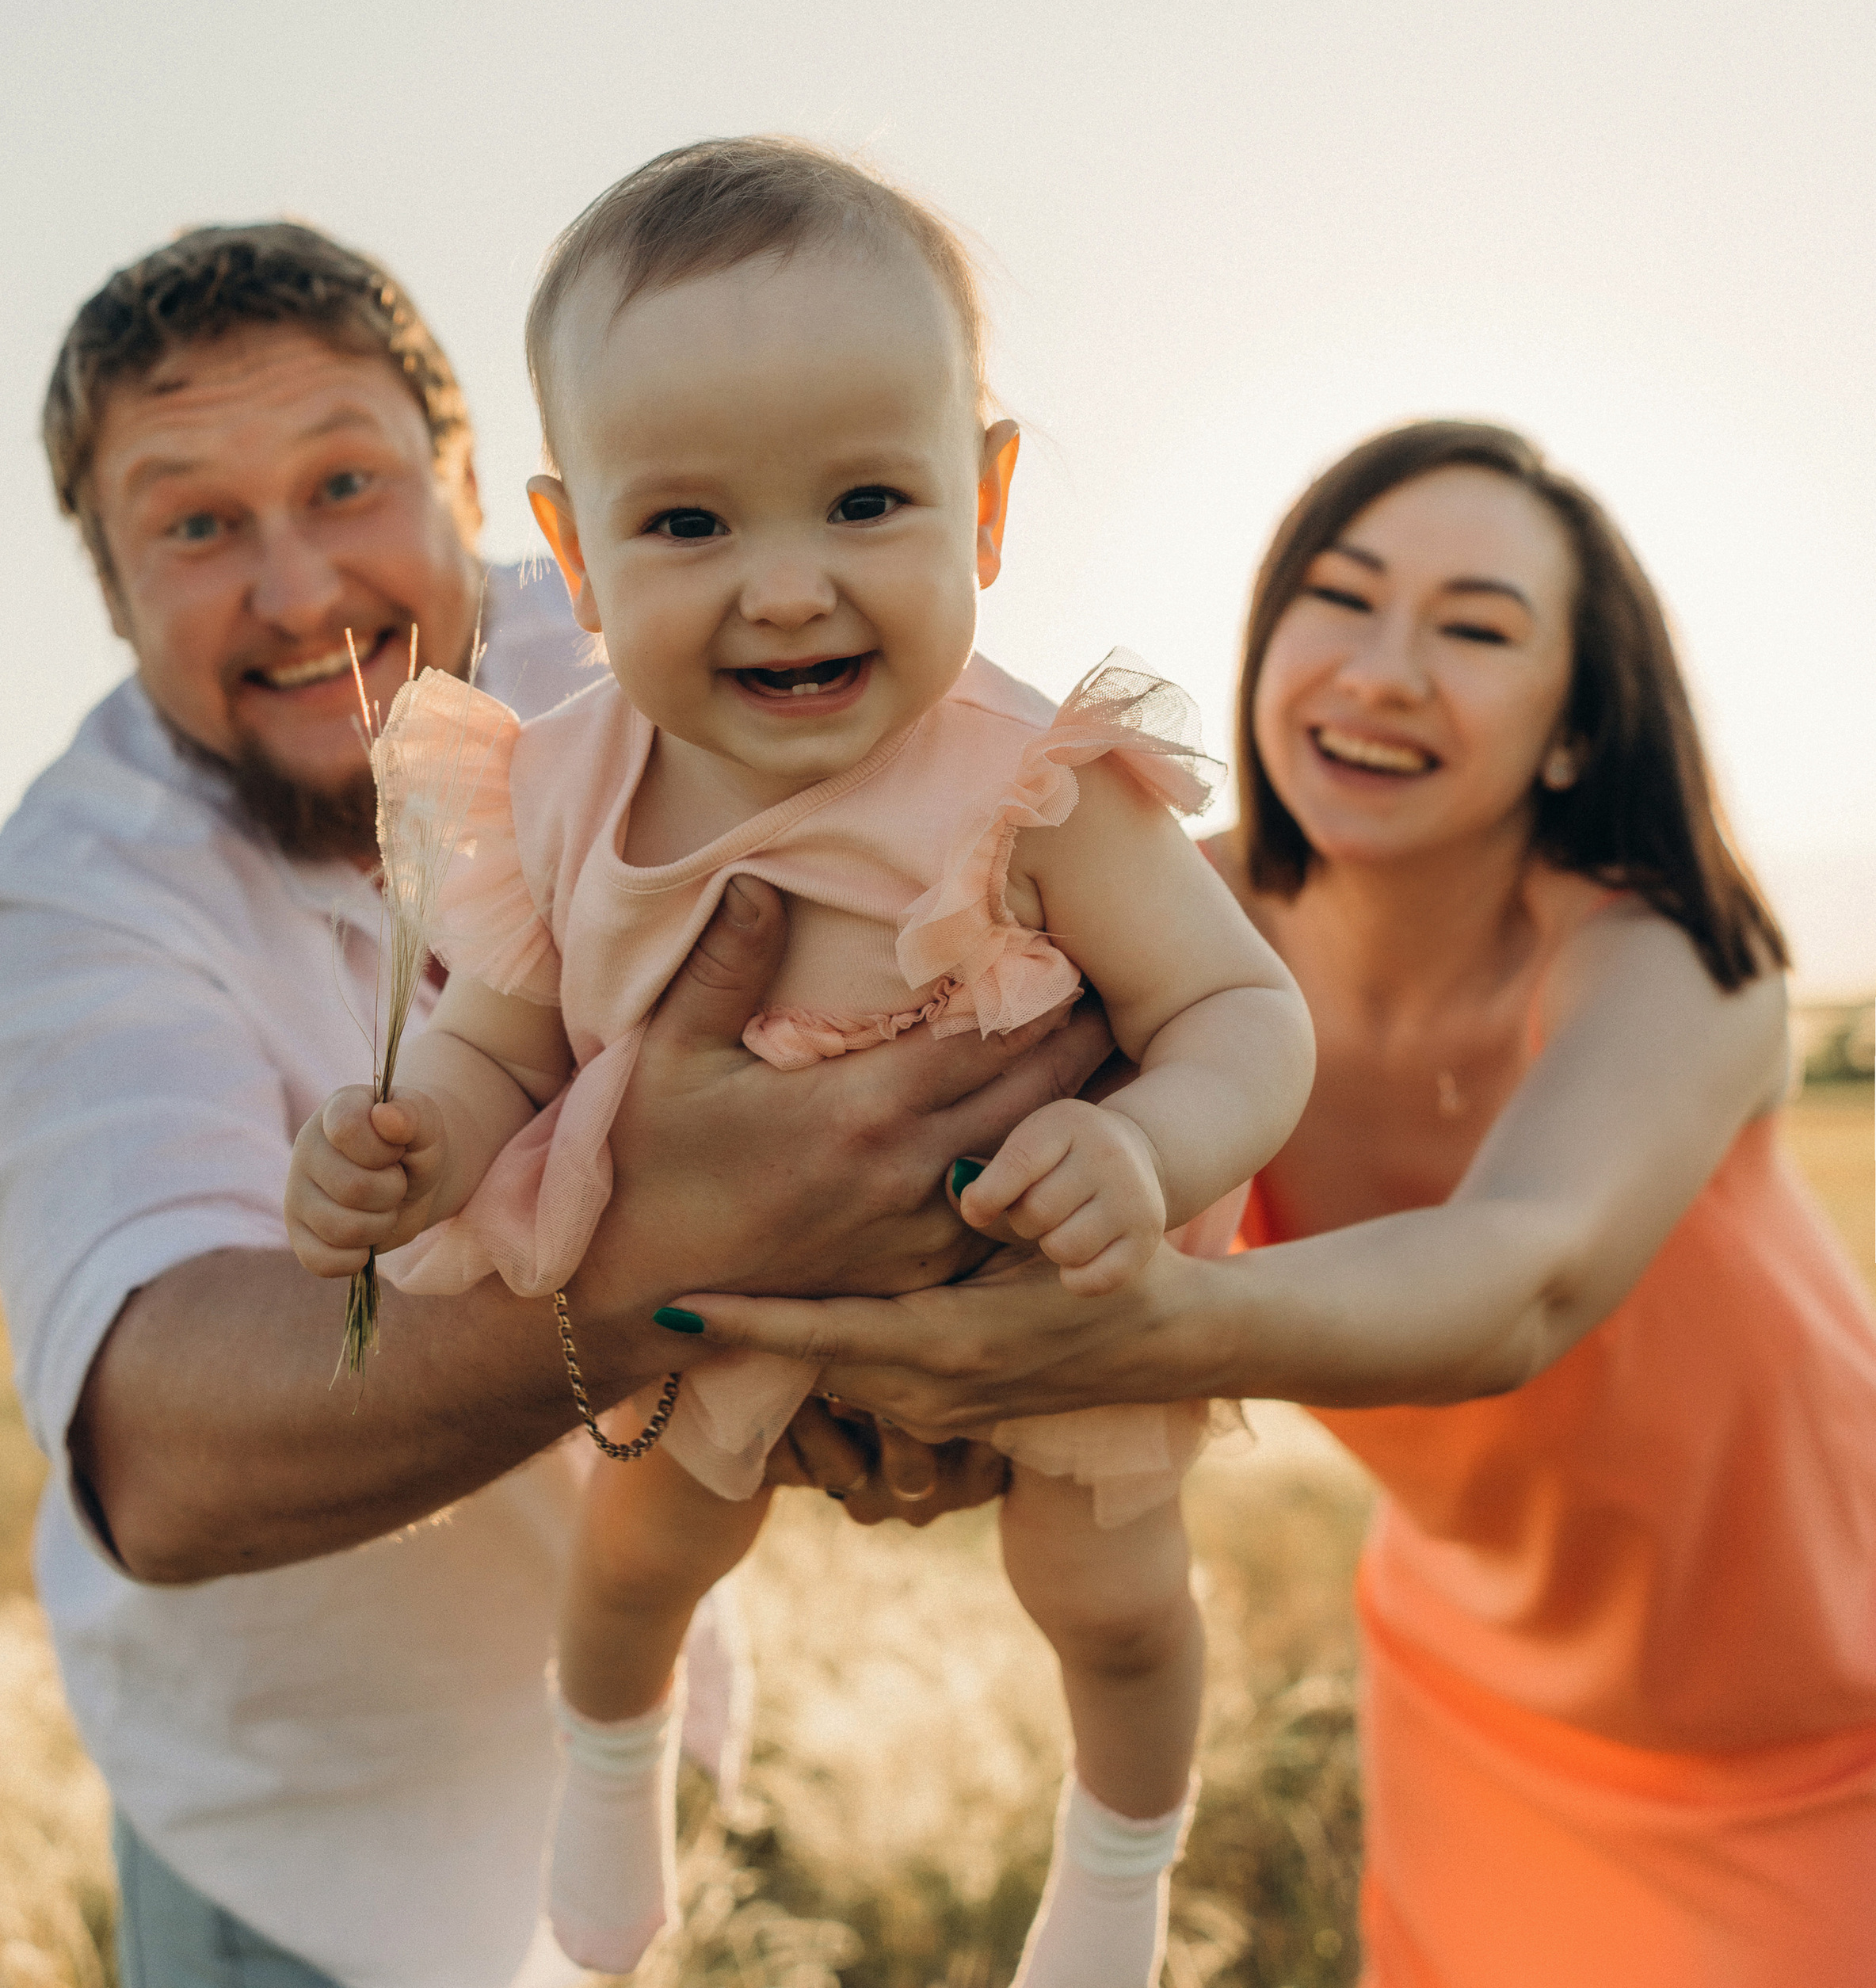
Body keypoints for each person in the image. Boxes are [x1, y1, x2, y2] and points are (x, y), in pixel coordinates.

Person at [0, 219, 1110, 1988]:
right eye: (193, 524)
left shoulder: (660, 647)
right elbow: (166, 1454)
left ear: (473, 484)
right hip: (306, 1848)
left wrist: (936, 1357)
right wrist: (677, 1263)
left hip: (649, 1733)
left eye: (345, 481)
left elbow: (984, 944)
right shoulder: (57, 896)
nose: (302, 584)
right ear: (108, 586)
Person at [284, 139, 1316, 1988]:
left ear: (984, 505)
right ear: (578, 554)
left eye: (862, 501)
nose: (783, 590)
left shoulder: (1034, 779)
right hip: (720, 1295)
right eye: (688, 528)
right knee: (630, 1560)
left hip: (1040, 1276)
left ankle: (1115, 1877)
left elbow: (1242, 1016)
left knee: (1111, 1598)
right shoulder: (555, 789)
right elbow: (494, 1038)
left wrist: (1145, 1155)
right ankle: (608, 1780)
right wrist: (411, 1143)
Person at [685, 420, 1876, 1988]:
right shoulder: (1169, 943)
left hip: (1831, 1727)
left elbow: (1520, 1281)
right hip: (1475, 1712)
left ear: (1574, 727)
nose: (1381, 669)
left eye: (1471, 627)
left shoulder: (1670, 960)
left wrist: (1141, 1342)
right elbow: (951, 1217)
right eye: (1340, 596)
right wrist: (886, 1414)